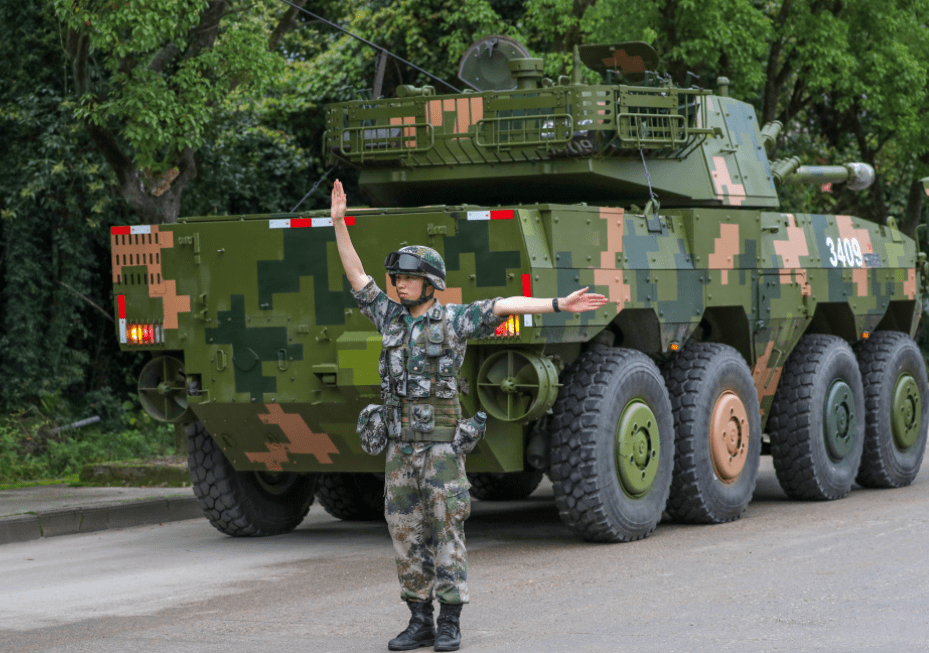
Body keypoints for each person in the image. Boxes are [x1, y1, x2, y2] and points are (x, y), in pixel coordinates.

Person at [330, 179, 607, 651]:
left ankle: (450, 622)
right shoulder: (389, 318)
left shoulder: (454, 320)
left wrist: (558, 304)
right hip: (400, 449)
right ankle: (418, 619)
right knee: (404, 532)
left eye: (407, 277)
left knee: (447, 531)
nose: (399, 284)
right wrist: (339, 223)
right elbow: (357, 276)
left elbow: (504, 304)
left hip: (440, 447)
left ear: (430, 282)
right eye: (396, 277)